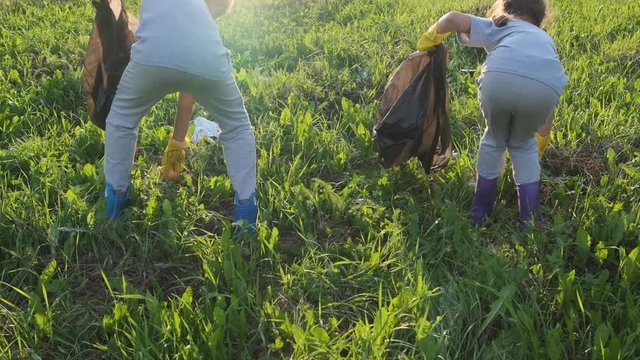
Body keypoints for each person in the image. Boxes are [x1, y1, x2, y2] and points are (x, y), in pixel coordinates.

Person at [104, 0, 258, 232]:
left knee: (122, 120)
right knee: (237, 127)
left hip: (151, 56)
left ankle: (114, 203)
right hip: (208, 60)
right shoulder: (203, 24)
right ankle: (246, 214)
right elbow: (188, 92)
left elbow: (185, 97)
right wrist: (175, 151)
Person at [417, 0, 567, 226]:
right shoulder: (544, 39)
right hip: (546, 90)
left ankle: (481, 211)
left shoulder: (500, 25)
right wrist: (541, 140)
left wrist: (431, 38)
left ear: (504, 8)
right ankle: (530, 218)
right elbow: (547, 96)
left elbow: (452, 18)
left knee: (495, 139)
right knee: (523, 145)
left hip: (499, 80)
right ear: (540, 18)